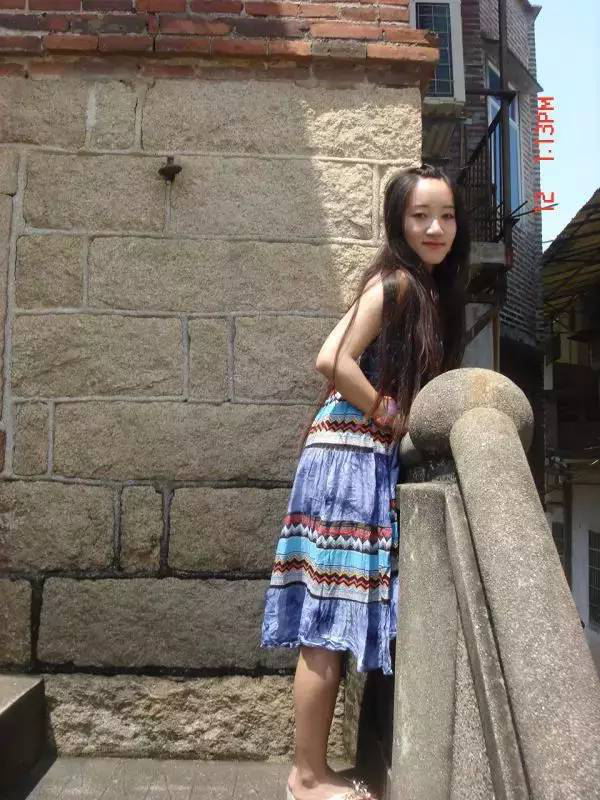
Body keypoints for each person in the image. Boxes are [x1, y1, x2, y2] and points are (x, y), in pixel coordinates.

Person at [260, 164, 471, 800]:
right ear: (398, 223)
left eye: (447, 216)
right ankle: (306, 777)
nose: (436, 228)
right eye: (420, 216)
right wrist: (393, 416)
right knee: (327, 618)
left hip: (356, 457)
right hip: (347, 457)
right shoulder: (399, 283)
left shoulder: (420, 289)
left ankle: (312, 772)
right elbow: (332, 359)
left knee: (331, 614)